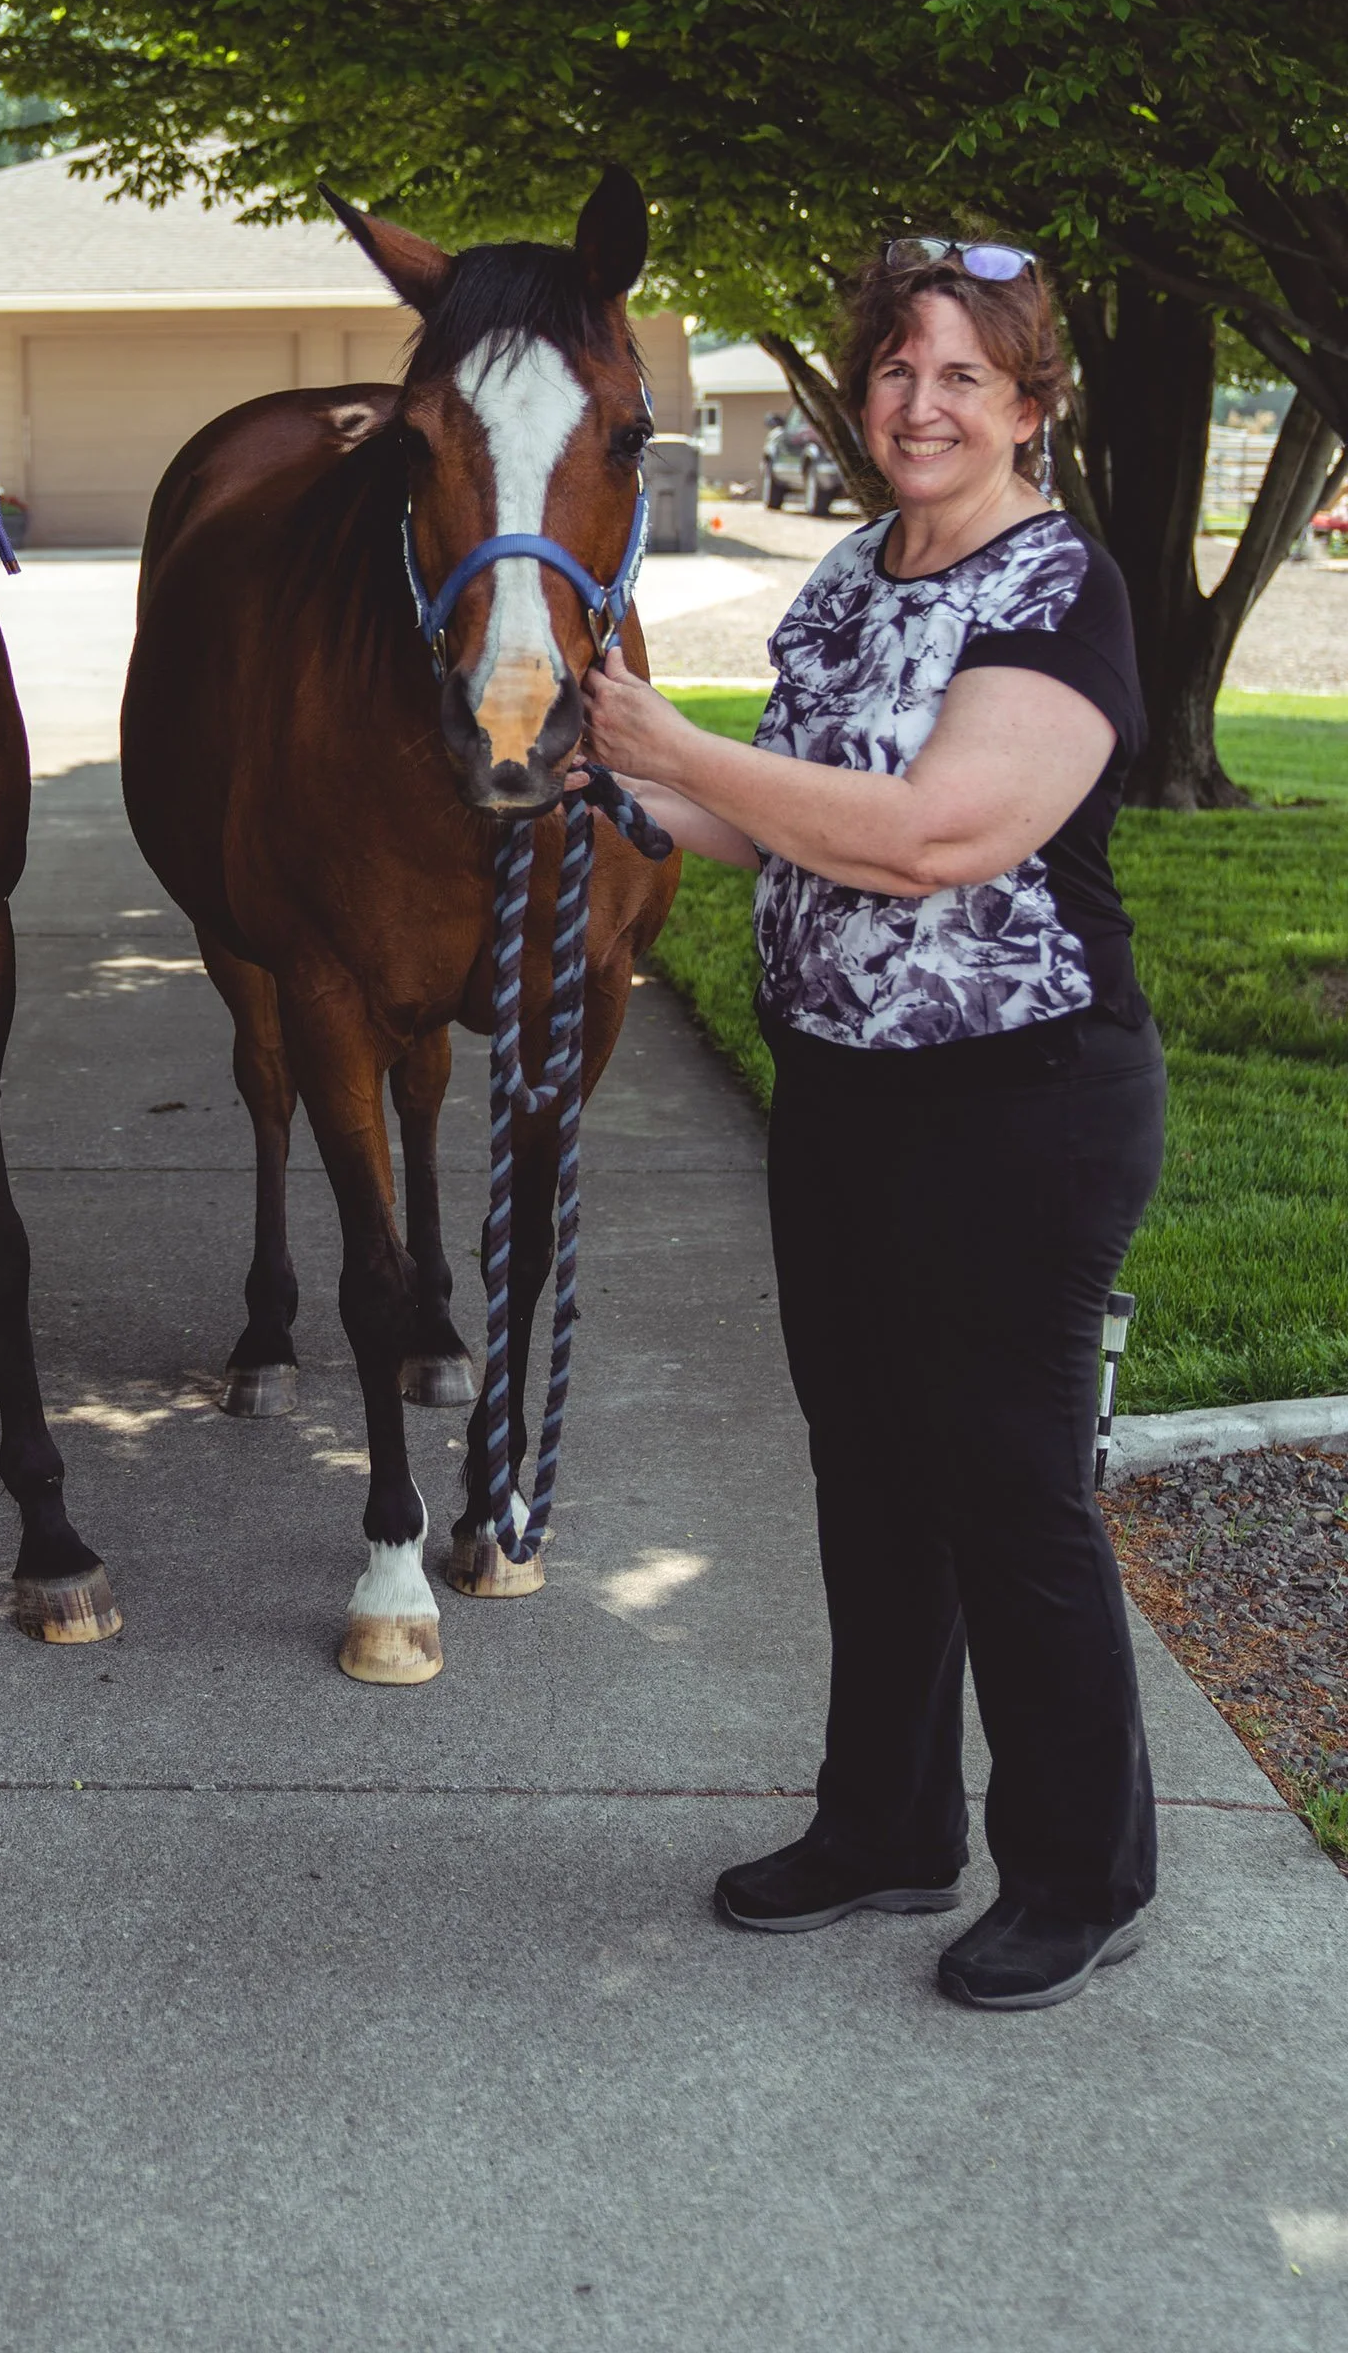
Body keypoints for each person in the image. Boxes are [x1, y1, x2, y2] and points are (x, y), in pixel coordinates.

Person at [581, 237, 1165, 2013]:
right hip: (839, 1089)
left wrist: (675, 739)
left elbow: (933, 834)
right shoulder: (851, 574)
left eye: (964, 377)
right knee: (872, 1478)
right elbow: (798, 827)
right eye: (900, 371)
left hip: (1022, 1101)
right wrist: (608, 785)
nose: (922, 406)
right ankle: (888, 1826)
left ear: (1028, 407)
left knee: (1009, 1487)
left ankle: (1078, 1872)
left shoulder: (1056, 591)